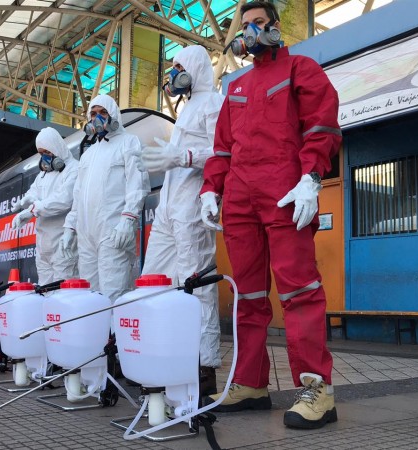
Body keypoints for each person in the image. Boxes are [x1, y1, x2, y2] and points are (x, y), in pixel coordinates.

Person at [199, 1, 342, 430]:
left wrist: (311, 177)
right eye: (244, 27)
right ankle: (249, 383)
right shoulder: (236, 87)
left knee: (299, 290)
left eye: (258, 24)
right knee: (248, 296)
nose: (250, 33)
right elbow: (222, 147)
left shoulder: (301, 69)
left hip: (284, 193)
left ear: (276, 27)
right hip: (240, 201)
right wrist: (211, 188)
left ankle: (318, 390)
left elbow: (322, 124)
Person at [140, 45, 224, 396]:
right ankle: (160, 356)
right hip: (168, 208)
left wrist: (184, 155)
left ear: (194, 67)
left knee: (197, 286)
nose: (172, 74)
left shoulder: (213, 104)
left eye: (177, 66)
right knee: (152, 281)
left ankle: (203, 367)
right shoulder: (188, 109)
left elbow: (222, 152)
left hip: (192, 206)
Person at [60, 94, 150, 302]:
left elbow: (138, 184)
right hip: (87, 234)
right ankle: (96, 334)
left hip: (113, 231)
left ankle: (115, 334)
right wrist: (69, 228)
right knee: (90, 295)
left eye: (102, 113)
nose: (97, 118)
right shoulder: (88, 155)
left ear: (113, 115)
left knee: (113, 291)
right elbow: (78, 196)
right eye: (93, 114)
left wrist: (128, 220)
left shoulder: (129, 142)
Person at [11, 126, 79, 285]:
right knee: (45, 290)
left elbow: (63, 200)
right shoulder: (43, 174)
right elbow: (34, 192)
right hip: (43, 244)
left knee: (64, 292)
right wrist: (25, 206)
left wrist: (33, 210)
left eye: (47, 152)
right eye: (41, 153)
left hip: (63, 241)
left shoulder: (74, 169)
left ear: (57, 147)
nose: (45, 158)